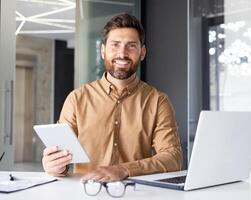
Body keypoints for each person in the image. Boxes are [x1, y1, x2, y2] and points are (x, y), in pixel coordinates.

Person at [42, 13, 182, 182]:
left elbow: (173, 158)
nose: (122, 53)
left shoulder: (158, 101)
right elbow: (59, 156)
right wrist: (53, 164)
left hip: (139, 193)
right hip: (86, 192)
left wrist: (124, 169)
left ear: (142, 52)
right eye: (115, 45)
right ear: (103, 51)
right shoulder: (76, 99)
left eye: (131, 46)